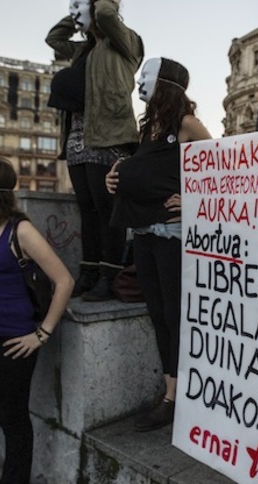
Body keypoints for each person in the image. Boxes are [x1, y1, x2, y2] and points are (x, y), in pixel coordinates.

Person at [106, 57, 212, 431]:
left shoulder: (186, 124)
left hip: (173, 235)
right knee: (157, 313)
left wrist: (193, 199)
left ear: (166, 83)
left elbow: (222, 168)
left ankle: (175, 396)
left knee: (173, 313)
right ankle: (172, 388)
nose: (138, 83)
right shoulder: (151, 127)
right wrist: (116, 180)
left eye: (145, 77)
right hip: (146, 233)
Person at [0, 155, 74, 483]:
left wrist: (41, 334)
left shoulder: (19, 231)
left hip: (7, 345)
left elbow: (64, 281)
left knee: (13, 423)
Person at [46, 0, 144, 301]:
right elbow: (54, 38)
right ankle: (88, 273)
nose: (75, 12)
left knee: (107, 209)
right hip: (77, 136)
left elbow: (103, 12)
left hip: (109, 134)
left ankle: (110, 275)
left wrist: (98, 5)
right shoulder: (81, 50)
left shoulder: (126, 41)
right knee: (86, 210)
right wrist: (76, 15)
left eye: (80, 6)